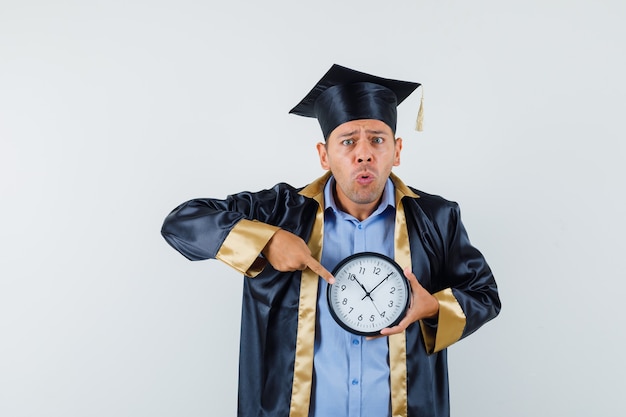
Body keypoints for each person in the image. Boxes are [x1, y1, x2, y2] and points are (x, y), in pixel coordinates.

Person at [161, 64, 501, 417]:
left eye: (378, 139)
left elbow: (484, 295)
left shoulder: (436, 218)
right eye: (348, 141)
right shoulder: (280, 212)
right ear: (324, 154)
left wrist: (431, 307)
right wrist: (267, 241)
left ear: (397, 151)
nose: (364, 153)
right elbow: (181, 222)